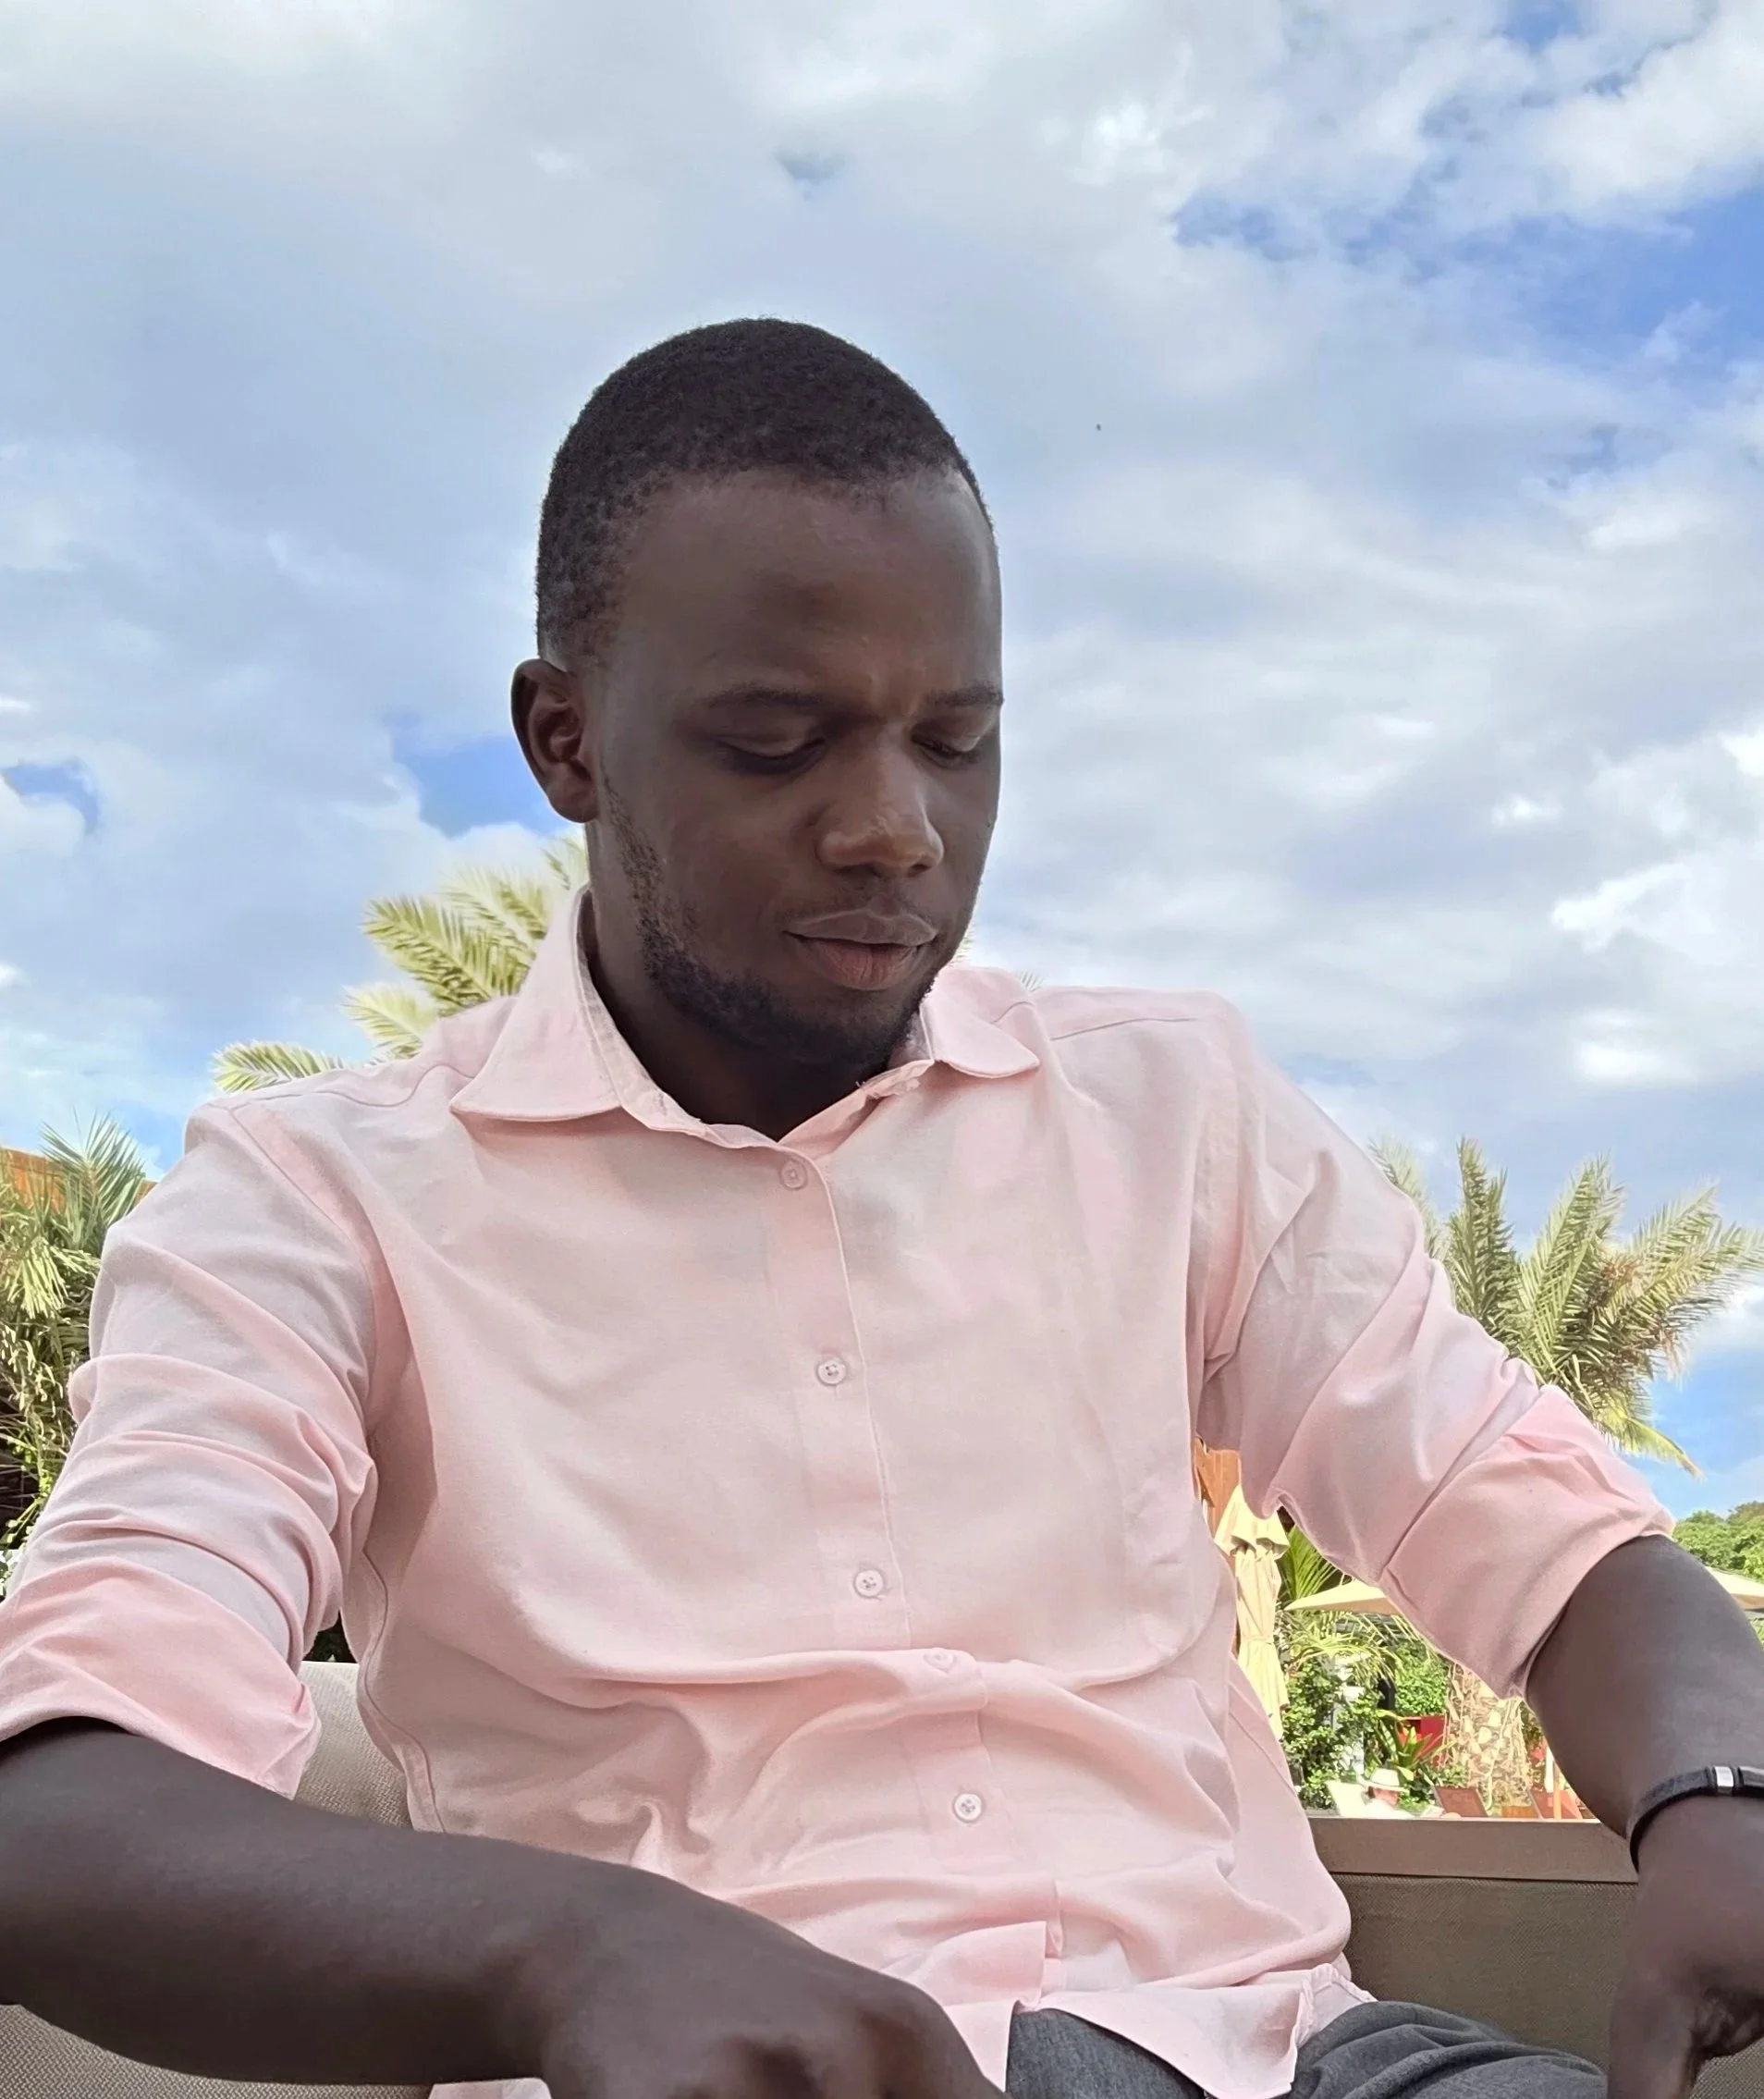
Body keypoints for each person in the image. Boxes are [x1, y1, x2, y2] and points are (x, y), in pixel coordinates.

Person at [0, 319, 1759, 2099]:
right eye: (777, 743)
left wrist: (1718, 1793)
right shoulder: (320, 1199)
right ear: (564, 742)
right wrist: (561, 1950)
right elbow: (60, 1793)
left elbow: (1541, 1529)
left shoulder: (1175, 1108)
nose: (897, 828)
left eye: (959, 738)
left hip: (1291, 2057)